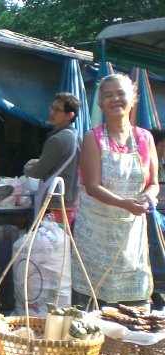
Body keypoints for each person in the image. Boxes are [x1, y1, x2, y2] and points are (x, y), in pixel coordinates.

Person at [72, 74, 159, 309]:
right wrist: (125, 203)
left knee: (134, 306)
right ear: (100, 104)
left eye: (120, 93)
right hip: (95, 234)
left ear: (133, 98)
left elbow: (153, 182)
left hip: (131, 233)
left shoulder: (145, 138)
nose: (115, 99)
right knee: (93, 304)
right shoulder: (93, 138)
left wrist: (147, 196)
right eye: (108, 95)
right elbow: (92, 186)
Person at [24, 92, 81, 223]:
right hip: (69, 202)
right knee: (62, 241)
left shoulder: (57, 139)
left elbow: (37, 172)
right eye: (52, 108)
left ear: (70, 115)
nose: (52, 113)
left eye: (57, 110)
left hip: (53, 202)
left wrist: (27, 167)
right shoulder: (78, 137)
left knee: (48, 241)